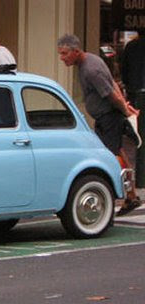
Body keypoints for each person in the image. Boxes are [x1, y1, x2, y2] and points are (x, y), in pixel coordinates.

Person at [57, 33, 142, 216]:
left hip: (108, 118)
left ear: (76, 51)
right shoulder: (90, 61)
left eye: (64, 54)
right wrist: (125, 105)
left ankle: (126, 193)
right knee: (117, 152)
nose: (62, 58)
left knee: (112, 155)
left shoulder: (90, 69)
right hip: (106, 117)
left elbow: (110, 93)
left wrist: (126, 111)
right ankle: (131, 195)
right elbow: (113, 84)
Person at [121, 30, 145, 188]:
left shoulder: (131, 46)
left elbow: (125, 73)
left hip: (136, 95)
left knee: (140, 139)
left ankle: (142, 179)